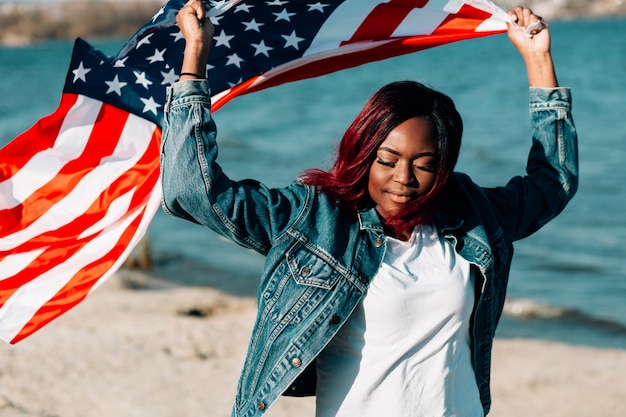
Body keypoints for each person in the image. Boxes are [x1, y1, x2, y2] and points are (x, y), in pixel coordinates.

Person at [160, 2, 578, 416]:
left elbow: (551, 183)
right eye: (388, 159)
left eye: (425, 164)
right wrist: (195, 58)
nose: (405, 179)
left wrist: (539, 59)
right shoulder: (314, 219)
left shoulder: (470, 216)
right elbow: (191, 190)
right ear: (363, 152)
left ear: (444, 167)